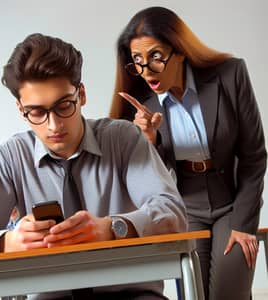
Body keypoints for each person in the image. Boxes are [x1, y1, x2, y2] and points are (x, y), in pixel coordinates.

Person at [0, 33, 187, 300]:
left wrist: (112, 228)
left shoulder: (123, 139)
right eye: (36, 112)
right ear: (20, 109)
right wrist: (7, 242)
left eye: (64, 105)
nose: (54, 125)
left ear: (81, 94)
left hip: (132, 294)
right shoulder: (10, 157)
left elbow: (173, 213)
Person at [109, 6, 267, 300]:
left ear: (179, 51)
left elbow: (254, 155)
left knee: (227, 292)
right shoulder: (141, 105)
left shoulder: (230, 75)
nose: (147, 71)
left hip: (232, 200)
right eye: (138, 61)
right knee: (195, 293)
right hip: (185, 206)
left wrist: (244, 225)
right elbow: (144, 179)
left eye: (156, 56)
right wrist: (149, 140)